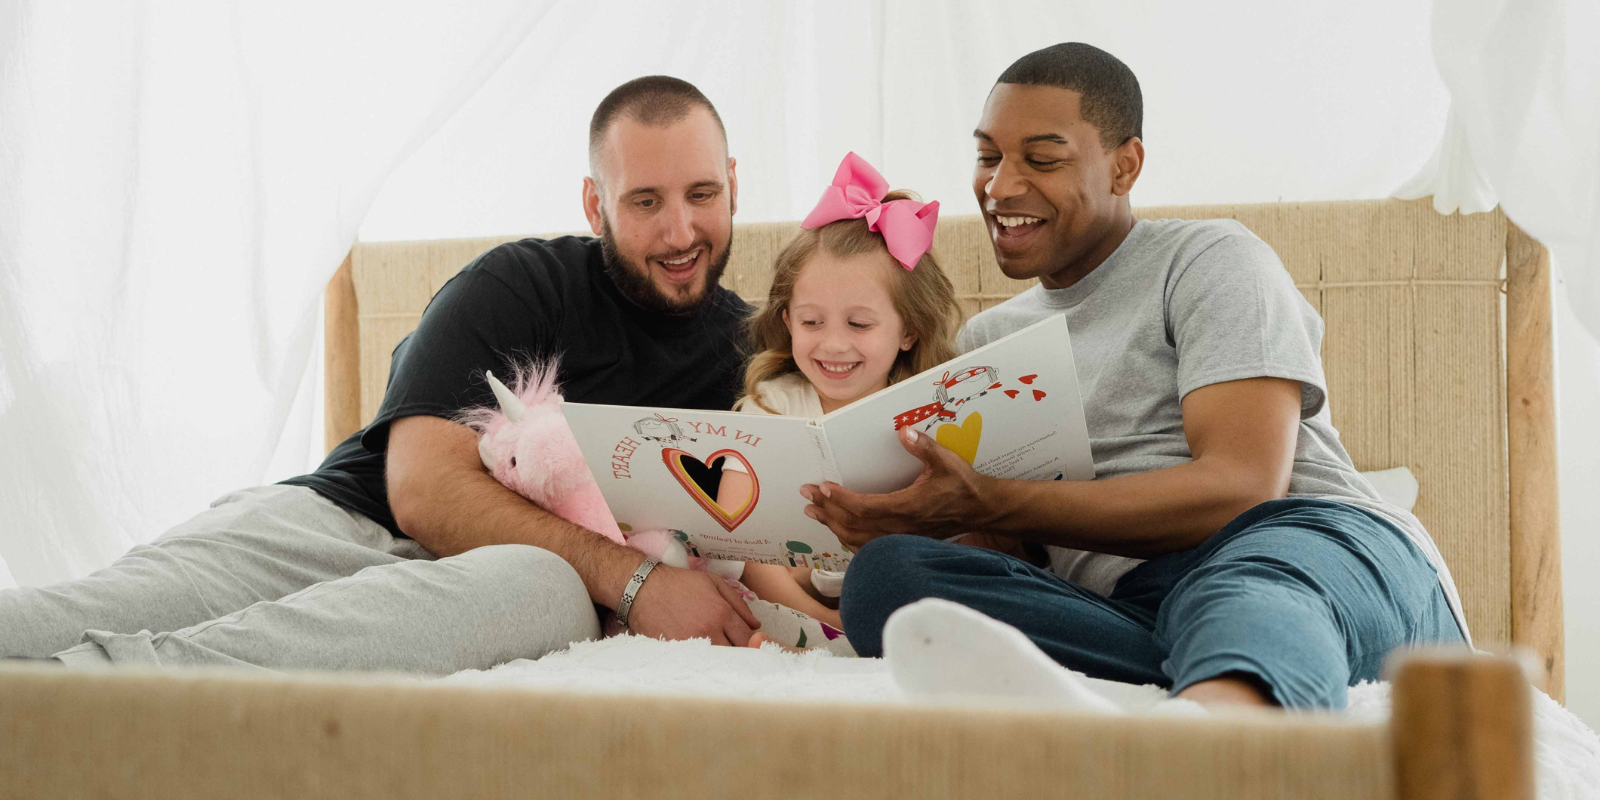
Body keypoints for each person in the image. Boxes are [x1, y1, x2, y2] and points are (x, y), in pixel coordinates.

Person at [0, 75, 763, 672]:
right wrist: (636, 582)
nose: (679, 231)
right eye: (644, 202)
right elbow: (425, 491)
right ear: (595, 204)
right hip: (338, 526)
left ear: (732, 181)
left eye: (702, 195)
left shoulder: (755, 357)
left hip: (510, 585)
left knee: (545, 591)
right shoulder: (518, 284)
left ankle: (85, 700)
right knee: (63, 617)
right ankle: (64, 689)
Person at [805, 44, 1468, 709]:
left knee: (1239, 590)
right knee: (891, 580)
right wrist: (914, 518)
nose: (1000, 186)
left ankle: (1223, 739)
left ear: (1125, 166)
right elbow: (1022, 546)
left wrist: (990, 500)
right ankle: (1206, 678)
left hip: (1302, 546)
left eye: (1041, 159)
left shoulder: (1209, 259)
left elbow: (1242, 488)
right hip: (1139, 605)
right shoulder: (989, 342)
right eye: (988, 156)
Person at [708, 152, 973, 634]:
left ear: (909, 330)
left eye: (859, 324)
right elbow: (745, 548)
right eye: (811, 322)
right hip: (795, 605)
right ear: (787, 321)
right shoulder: (773, 405)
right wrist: (822, 618)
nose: (833, 344)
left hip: (906, 592)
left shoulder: (931, 411)